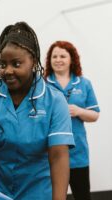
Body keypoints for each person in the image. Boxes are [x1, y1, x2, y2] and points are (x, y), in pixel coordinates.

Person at [0, 22, 75, 200]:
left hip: (38, 192)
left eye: (16, 64)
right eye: (3, 64)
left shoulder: (54, 100)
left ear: (33, 61)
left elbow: (58, 157)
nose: (8, 70)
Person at [44, 41, 100, 200]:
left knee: (82, 196)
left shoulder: (84, 83)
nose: (58, 59)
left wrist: (79, 111)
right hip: (49, 154)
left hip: (78, 154)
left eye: (63, 56)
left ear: (71, 59)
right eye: (54, 56)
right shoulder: (42, 84)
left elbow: (95, 115)